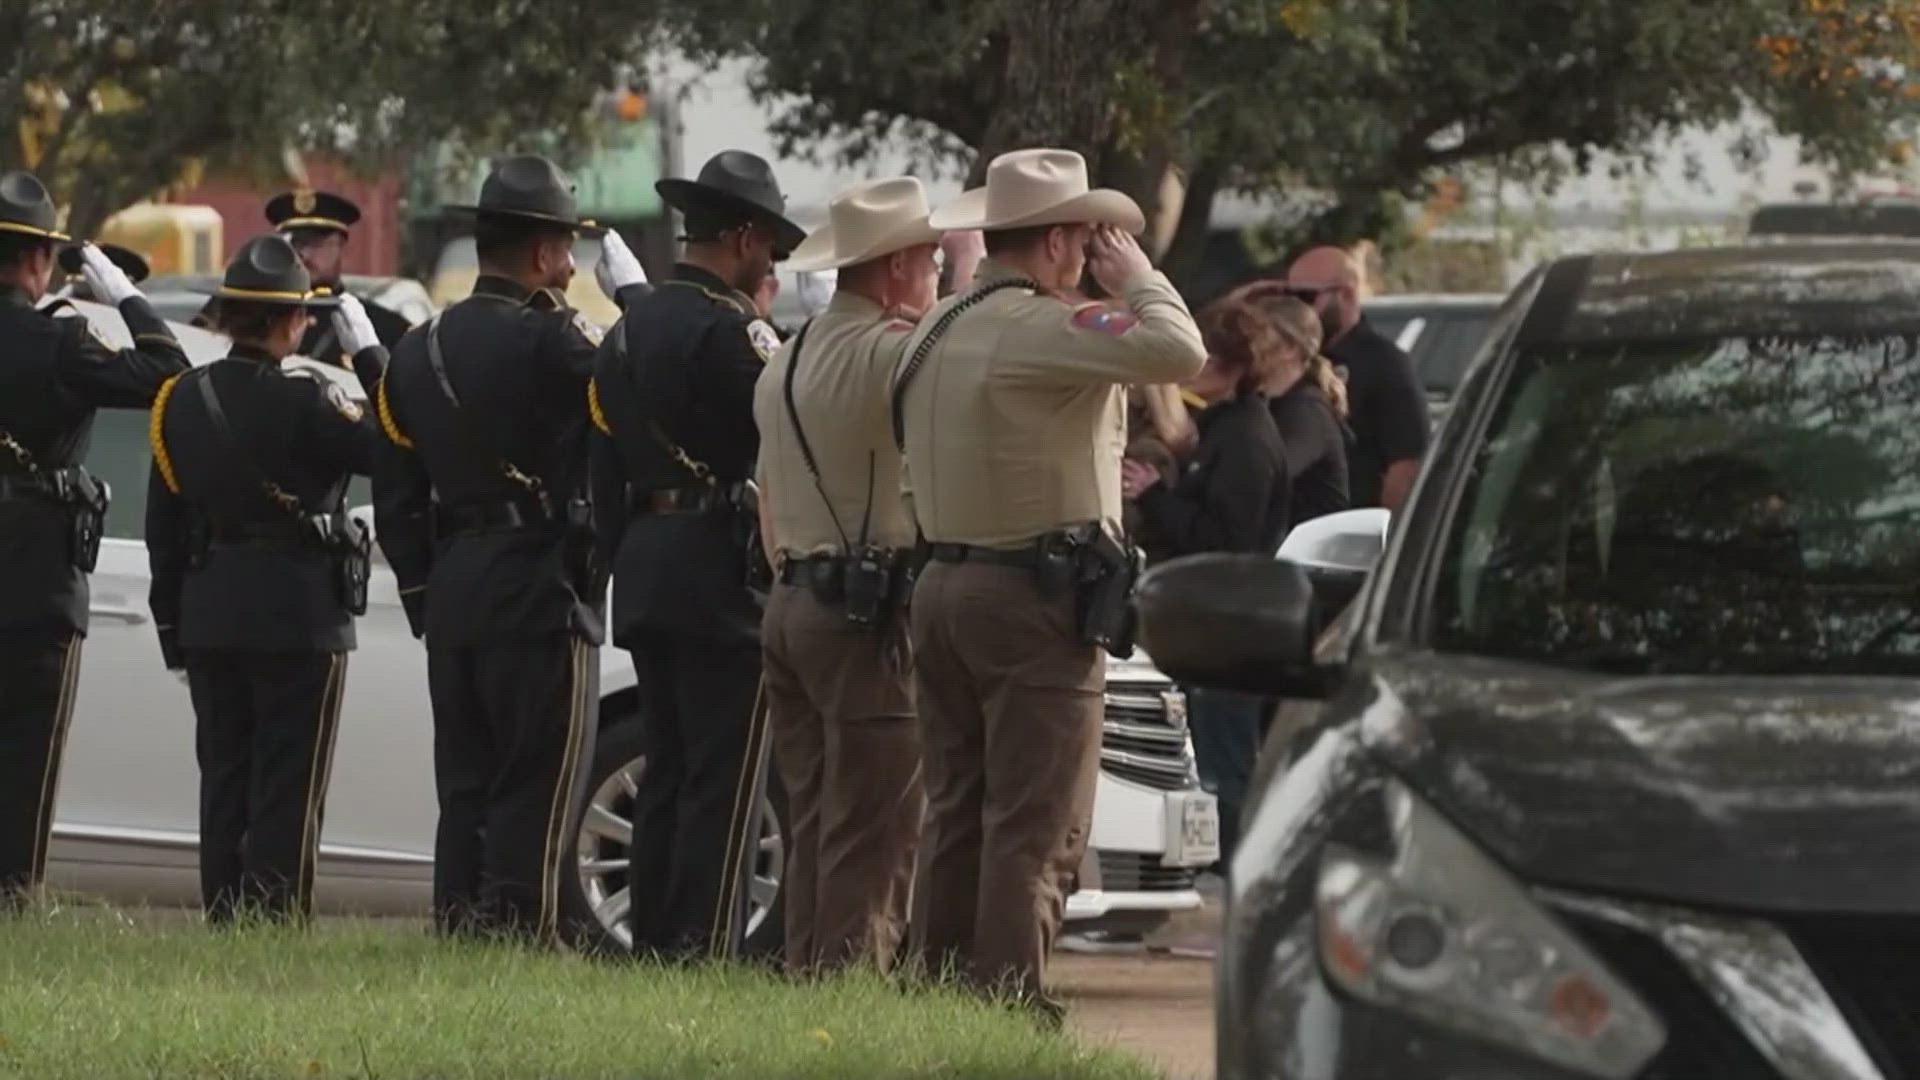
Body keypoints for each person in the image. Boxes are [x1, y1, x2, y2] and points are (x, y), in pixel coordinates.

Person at [894, 148, 1206, 1015]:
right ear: (1064, 240)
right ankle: (1006, 1002)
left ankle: (939, 987)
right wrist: (1141, 278)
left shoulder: (935, 325)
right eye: (1090, 236)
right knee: (1038, 822)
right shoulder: (1035, 326)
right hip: (1029, 601)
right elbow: (1180, 351)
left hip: (946, 583)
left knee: (958, 808)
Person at [373, 155, 647, 941]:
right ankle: (520, 932)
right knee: (540, 777)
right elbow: (635, 383)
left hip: (455, 586)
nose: (568, 269)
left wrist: (427, 589)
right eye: (565, 251)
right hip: (537, 580)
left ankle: (458, 926)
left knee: (464, 780)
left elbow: (396, 494)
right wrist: (636, 303)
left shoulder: (416, 351)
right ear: (538, 255)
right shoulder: (554, 340)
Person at [588, 149, 802, 961]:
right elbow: (785, 434)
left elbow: (603, 466)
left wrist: (619, 558)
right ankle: (703, 944)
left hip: (645, 560)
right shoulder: (732, 328)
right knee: (726, 772)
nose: (769, 265)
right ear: (743, 237)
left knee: (667, 768)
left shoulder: (625, 329)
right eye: (768, 249)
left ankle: (653, 939)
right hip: (716, 567)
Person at [146, 235, 386, 924]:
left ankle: (225, 913)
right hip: (298, 614)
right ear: (291, 321)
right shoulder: (312, 402)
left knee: (223, 775)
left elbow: (165, 530)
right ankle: (276, 916)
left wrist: (173, 631)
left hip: (210, 608)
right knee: (288, 779)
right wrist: (370, 361)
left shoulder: (178, 401)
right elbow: (396, 441)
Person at [752, 177, 943, 975]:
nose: (937, 271)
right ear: (897, 266)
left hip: (792, 599)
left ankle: (807, 971)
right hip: (864, 611)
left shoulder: (785, 358)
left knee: (815, 817)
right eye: (930, 259)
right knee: (875, 827)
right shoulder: (893, 354)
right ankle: (849, 986)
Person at [0, 170, 188, 912]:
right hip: (39, 576)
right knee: (26, 752)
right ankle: (14, 896)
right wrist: (126, 296)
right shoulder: (61, 345)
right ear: (39, 263)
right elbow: (168, 374)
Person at [1120, 291, 1296, 871]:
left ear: (1235, 369)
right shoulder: (1222, 429)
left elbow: (1226, 538)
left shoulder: (1245, 438)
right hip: (1212, 624)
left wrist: (1159, 496)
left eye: (1207, 360)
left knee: (1225, 767)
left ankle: (1236, 873)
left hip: (1232, 628)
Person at [1287, 246, 1425, 511]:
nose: (1296, 310)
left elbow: (1406, 464)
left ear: (1347, 295)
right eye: (1288, 297)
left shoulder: (1383, 363)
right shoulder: (1292, 358)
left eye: (1306, 297)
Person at [197, 190, 412, 358]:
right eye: (296, 242)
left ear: (343, 247)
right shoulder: (236, 308)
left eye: (317, 243)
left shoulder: (384, 327)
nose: (304, 254)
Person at [1231, 281, 1350, 529]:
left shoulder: (1306, 412)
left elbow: (1263, 476)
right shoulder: (1268, 404)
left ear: (1288, 349)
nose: (1242, 346)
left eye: (1254, 335)